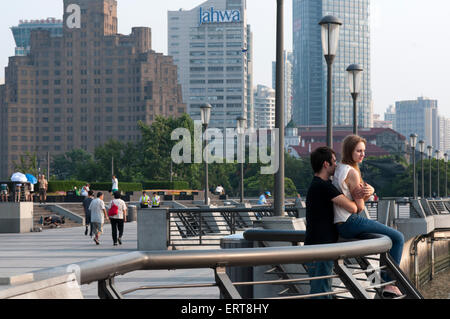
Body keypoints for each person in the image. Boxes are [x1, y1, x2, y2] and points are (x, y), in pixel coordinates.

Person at [333, 135, 405, 298]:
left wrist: (368, 192)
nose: (362, 154)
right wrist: (370, 192)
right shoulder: (352, 173)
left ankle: (385, 283)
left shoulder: (339, 169)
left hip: (341, 224)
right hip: (350, 221)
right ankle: (389, 284)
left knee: (381, 238)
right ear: (349, 151)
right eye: (359, 151)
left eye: (364, 151)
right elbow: (359, 208)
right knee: (397, 238)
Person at [305, 146, 363, 299]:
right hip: (321, 249)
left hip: (316, 247)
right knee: (321, 293)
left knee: (320, 291)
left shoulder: (316, 185)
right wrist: (357, 195)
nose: (336, 165)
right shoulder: (324, 186)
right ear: (326, 164)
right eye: (334, 161)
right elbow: (353, 208)